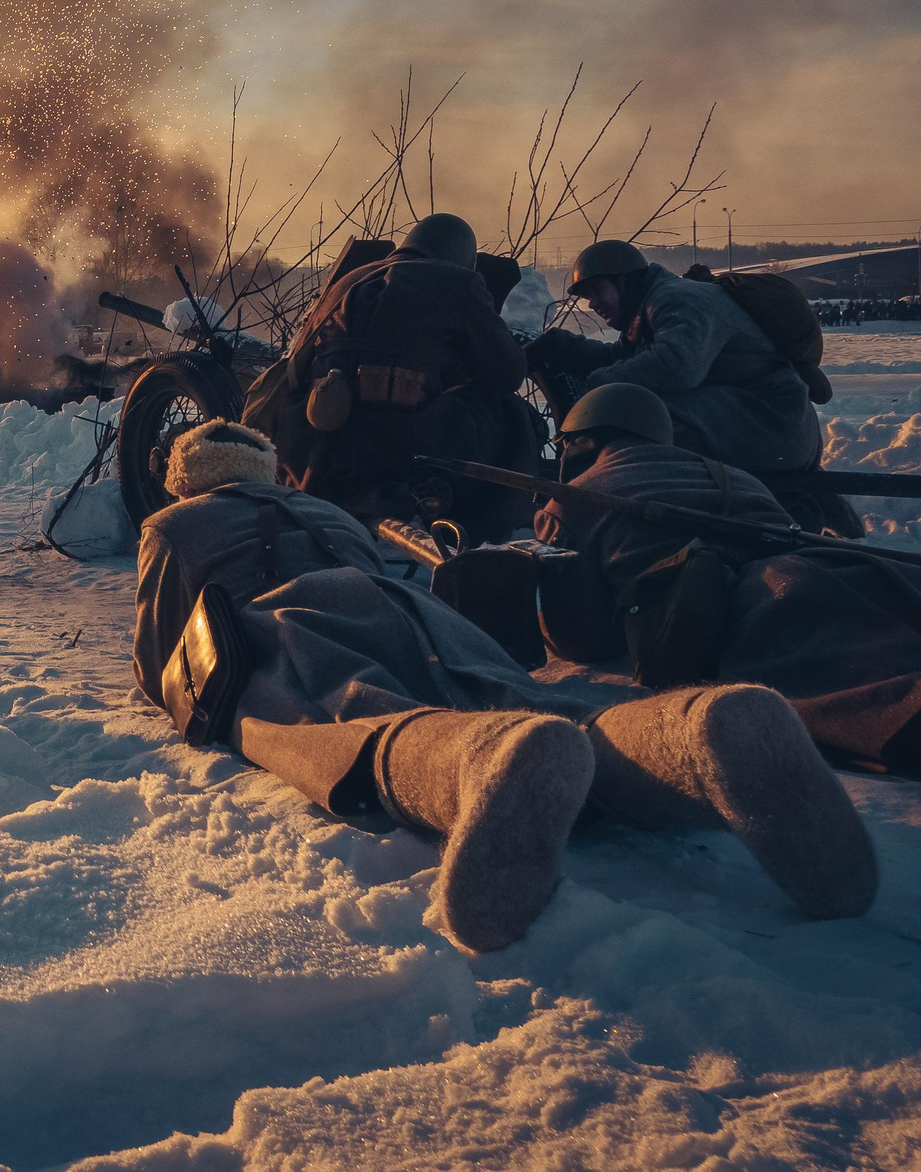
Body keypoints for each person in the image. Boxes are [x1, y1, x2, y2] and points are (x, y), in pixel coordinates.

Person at [136, 416, 875, 953]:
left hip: (290, 621)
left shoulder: (173, 523)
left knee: (353, 721)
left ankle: (486, 764)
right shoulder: (326, 507)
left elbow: (157, 653)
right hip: (411, 607)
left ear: (184, 477)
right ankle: (693, 733)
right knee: (524, 696)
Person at [535, 383, 921, 839]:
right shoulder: (728, 472)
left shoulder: (576, 498)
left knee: (902, 702)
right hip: (854, 569)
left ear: (581, 440)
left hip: (769, 602)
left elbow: (580, 641)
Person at [264, 214, 543, 538]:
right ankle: (488, 526)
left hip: (316, 451)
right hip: (396, 450)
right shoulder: (457, 281)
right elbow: (505, 373)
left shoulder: (346, 281)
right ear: (461, 256)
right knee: (506, 409)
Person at [527, 240, 821, 479]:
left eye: (598, 290)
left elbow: (676, 367)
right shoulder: (648, 306)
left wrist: (597, 387)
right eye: (586, 296)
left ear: (624, 281)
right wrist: (564, 347)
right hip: (755, 420)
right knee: (629, 415)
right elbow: (621, 358)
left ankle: (591, 504)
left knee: (630, 419)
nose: (592, 303)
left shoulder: (675, 299)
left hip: (774, 422)